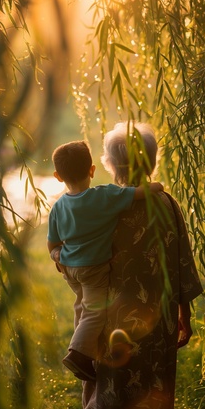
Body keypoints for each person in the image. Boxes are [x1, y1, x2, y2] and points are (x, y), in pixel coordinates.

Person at [82, 122, 203, 409]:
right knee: (154, 387)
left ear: (110, 163)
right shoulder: (167, 204)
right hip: (159, 321)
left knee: (111, 384)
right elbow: (182, 262)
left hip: (112, 318)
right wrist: (183, 316)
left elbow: (85, 256)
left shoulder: (104, 205)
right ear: (152, 161)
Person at [47, 140, 164, 382]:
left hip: (69, 268)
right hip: (93, 269)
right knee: (95, 313)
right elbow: (144, 191)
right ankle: (78, 354)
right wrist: (159, 185)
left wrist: (57, 258)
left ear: (58, 176)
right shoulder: (105, 196)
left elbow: (52, 244)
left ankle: (85, 350)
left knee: (83, 305)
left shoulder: (58, 206)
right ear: (92, 170)